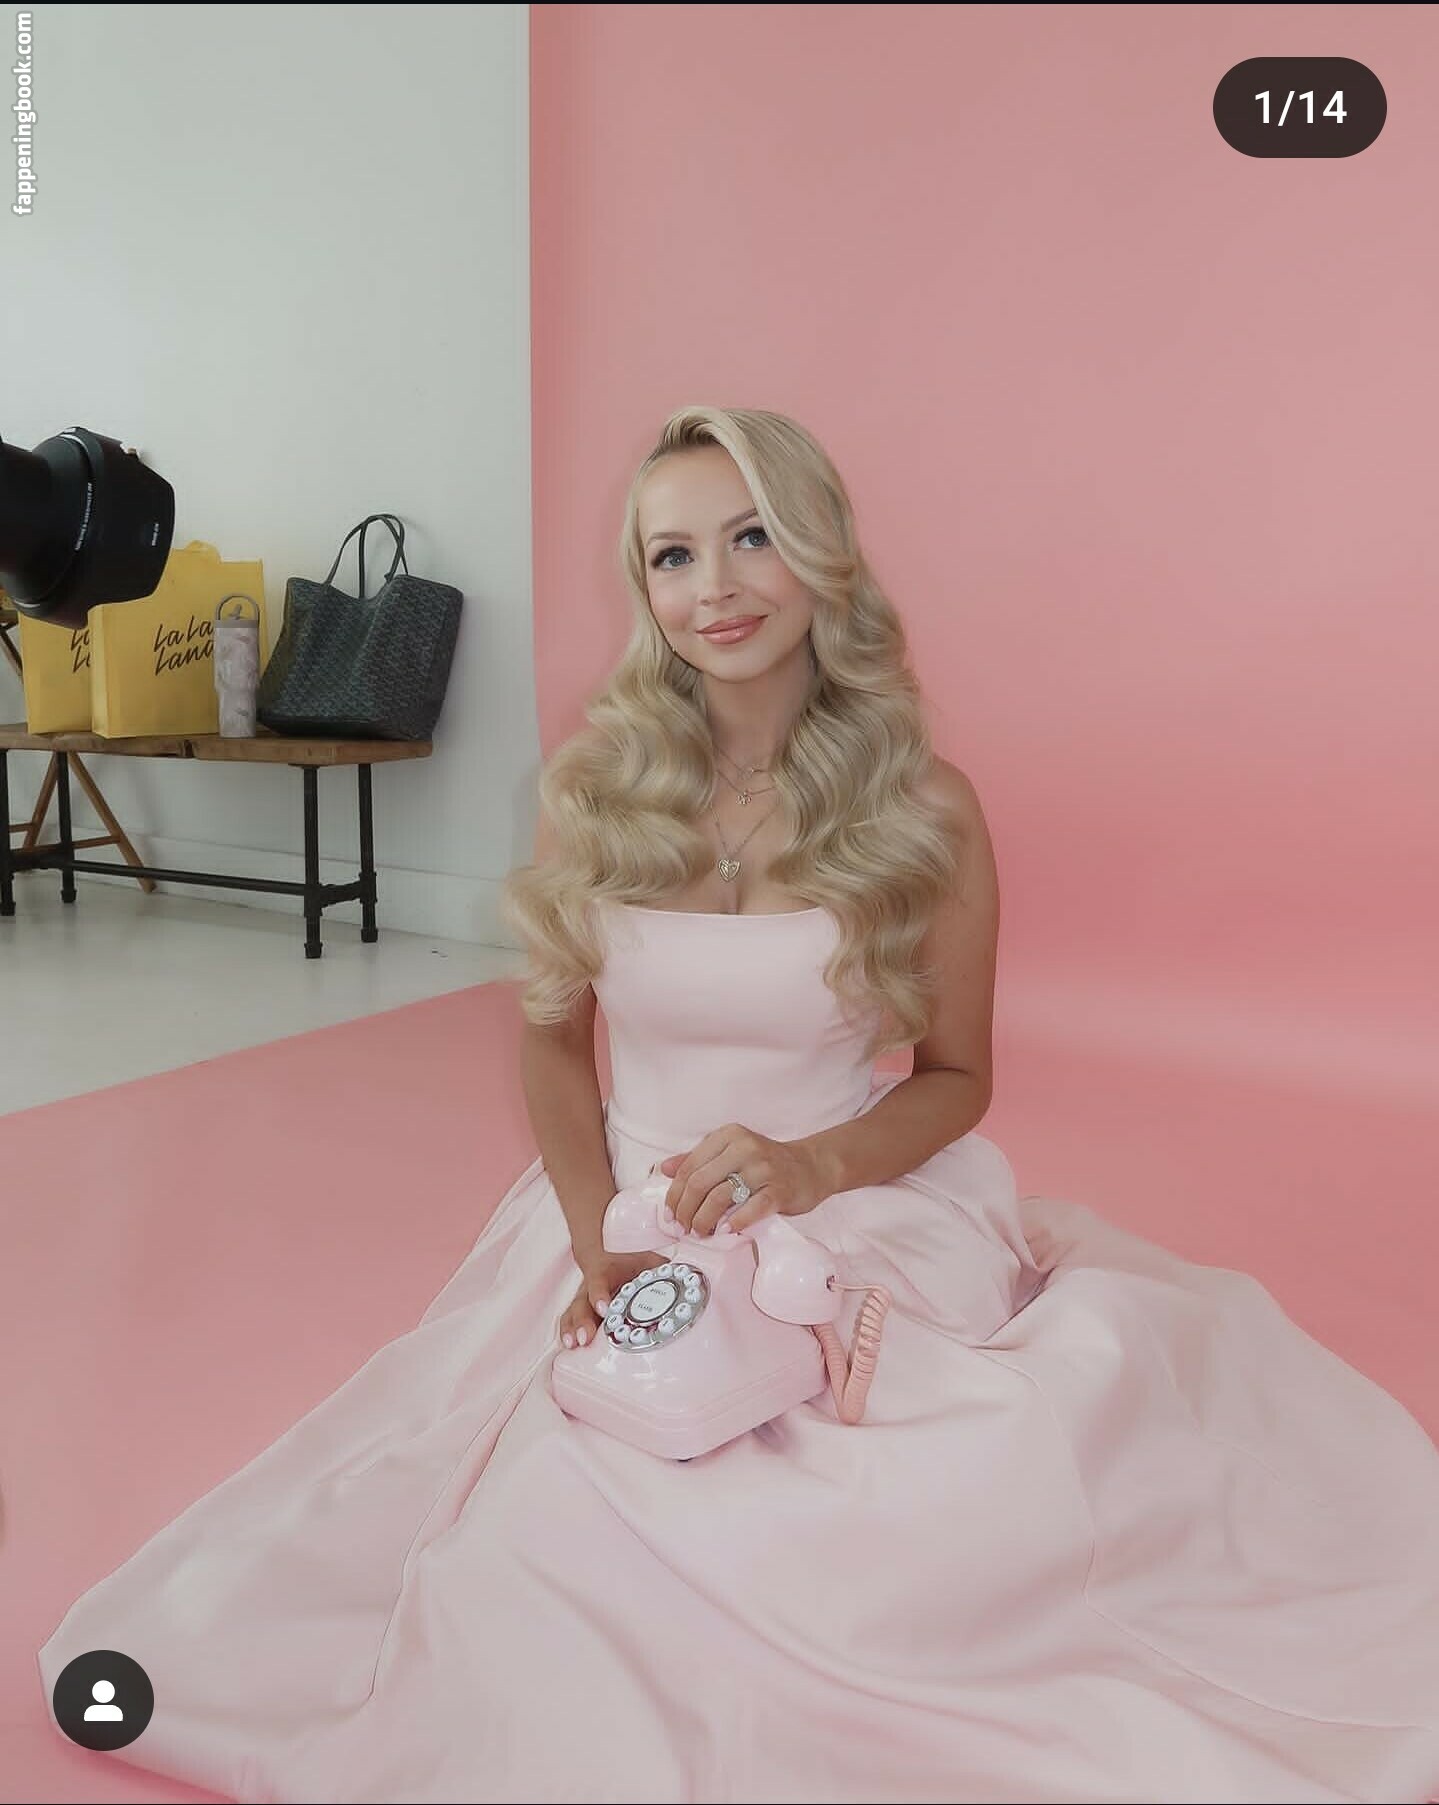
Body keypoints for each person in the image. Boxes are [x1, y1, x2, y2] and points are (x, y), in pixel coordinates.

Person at [38, 407, 1439, 1804]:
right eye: (674, 554)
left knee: (905, 1521)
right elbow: (552, 1051)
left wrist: (809, 1165)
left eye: (753, 536)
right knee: (547, 1524)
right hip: (620, 1219)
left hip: (845, 1204)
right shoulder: (591, 792)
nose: (715, 587)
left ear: (821, 550)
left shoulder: (929, 809)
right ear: (643, 584)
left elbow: (959, 1077)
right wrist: (597, 1238)